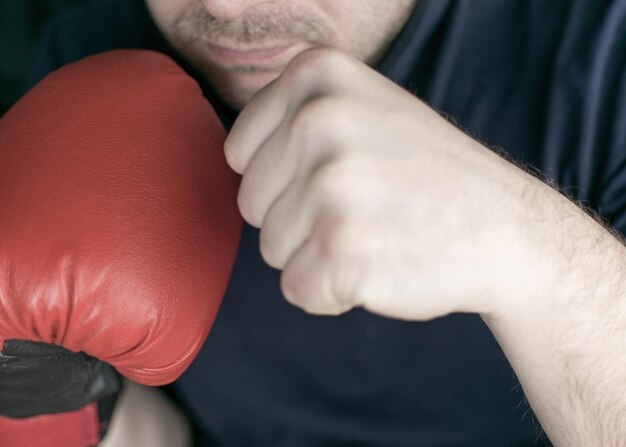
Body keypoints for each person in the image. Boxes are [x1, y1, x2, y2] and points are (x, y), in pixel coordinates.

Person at [23, 0, 626, 445]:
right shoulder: (91, 52)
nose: (224, 9)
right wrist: (48, 394)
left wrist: (535, 253)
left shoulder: (605, 57)